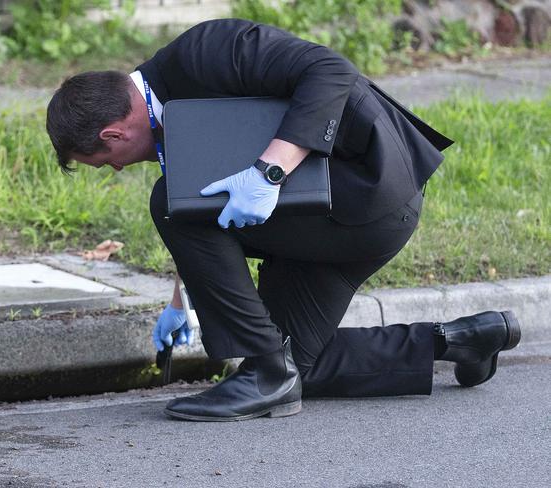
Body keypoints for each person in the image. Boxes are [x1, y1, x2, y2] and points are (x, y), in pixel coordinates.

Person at [45, 18, 521, 422]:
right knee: (295, 366)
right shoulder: (170, 123)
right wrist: (181, 298)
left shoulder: (201, 53)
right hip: (316, 226)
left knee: (167, 200)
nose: (120, 169)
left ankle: (266, 371)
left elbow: (330, 70)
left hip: (367, 192)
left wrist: (268, 172)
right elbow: (207, 211)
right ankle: (462, 339)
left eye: (109, 161)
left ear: (113, 132)